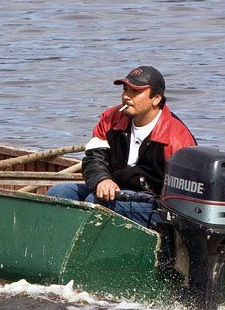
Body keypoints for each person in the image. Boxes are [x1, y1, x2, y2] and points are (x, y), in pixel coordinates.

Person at [47, 66, 196, 227]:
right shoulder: (110, 119)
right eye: (125, 90)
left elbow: (183, 197)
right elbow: (93, 158)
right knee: (58, 193)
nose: (126, 96)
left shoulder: (177, 139)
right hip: (116, 190)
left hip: (154, 204)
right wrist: (102, 180)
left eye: (135, 92)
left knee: (96, 203)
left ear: (156, 98)